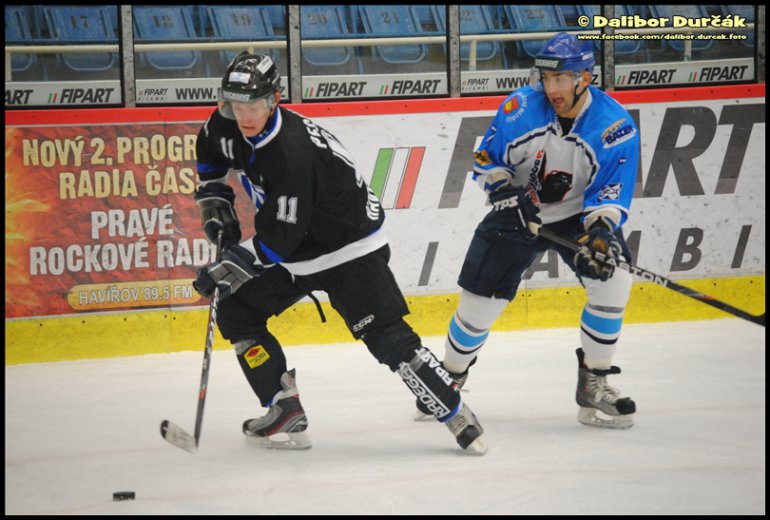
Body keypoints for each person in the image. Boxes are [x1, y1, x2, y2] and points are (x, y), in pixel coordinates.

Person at [191, 51, 486, 453]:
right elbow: (210, 152)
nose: (244, 116)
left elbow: (279, 240)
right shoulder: (224, 123)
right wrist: (214, 198)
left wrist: (232, 263)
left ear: (274, 99)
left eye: (254, 105)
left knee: (388, 340)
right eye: (235, 105)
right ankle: (282, 406)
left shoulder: (292, 151)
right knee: (236, 310)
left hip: (349, 248)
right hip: (296, 249)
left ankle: (456, 414)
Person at [416, 33, 639, 429]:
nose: (552, 88)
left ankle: (594, 381)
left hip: (577, 218)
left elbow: (609, 193)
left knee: (615, 278)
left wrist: (602, 232)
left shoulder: (614, 127)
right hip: (516, 213)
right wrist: (504, 190)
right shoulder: (519, 108)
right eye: (547, 78)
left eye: (561, 79)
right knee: (478, 308)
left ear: (585, 77)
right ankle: (449, 377)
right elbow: (486, 160)